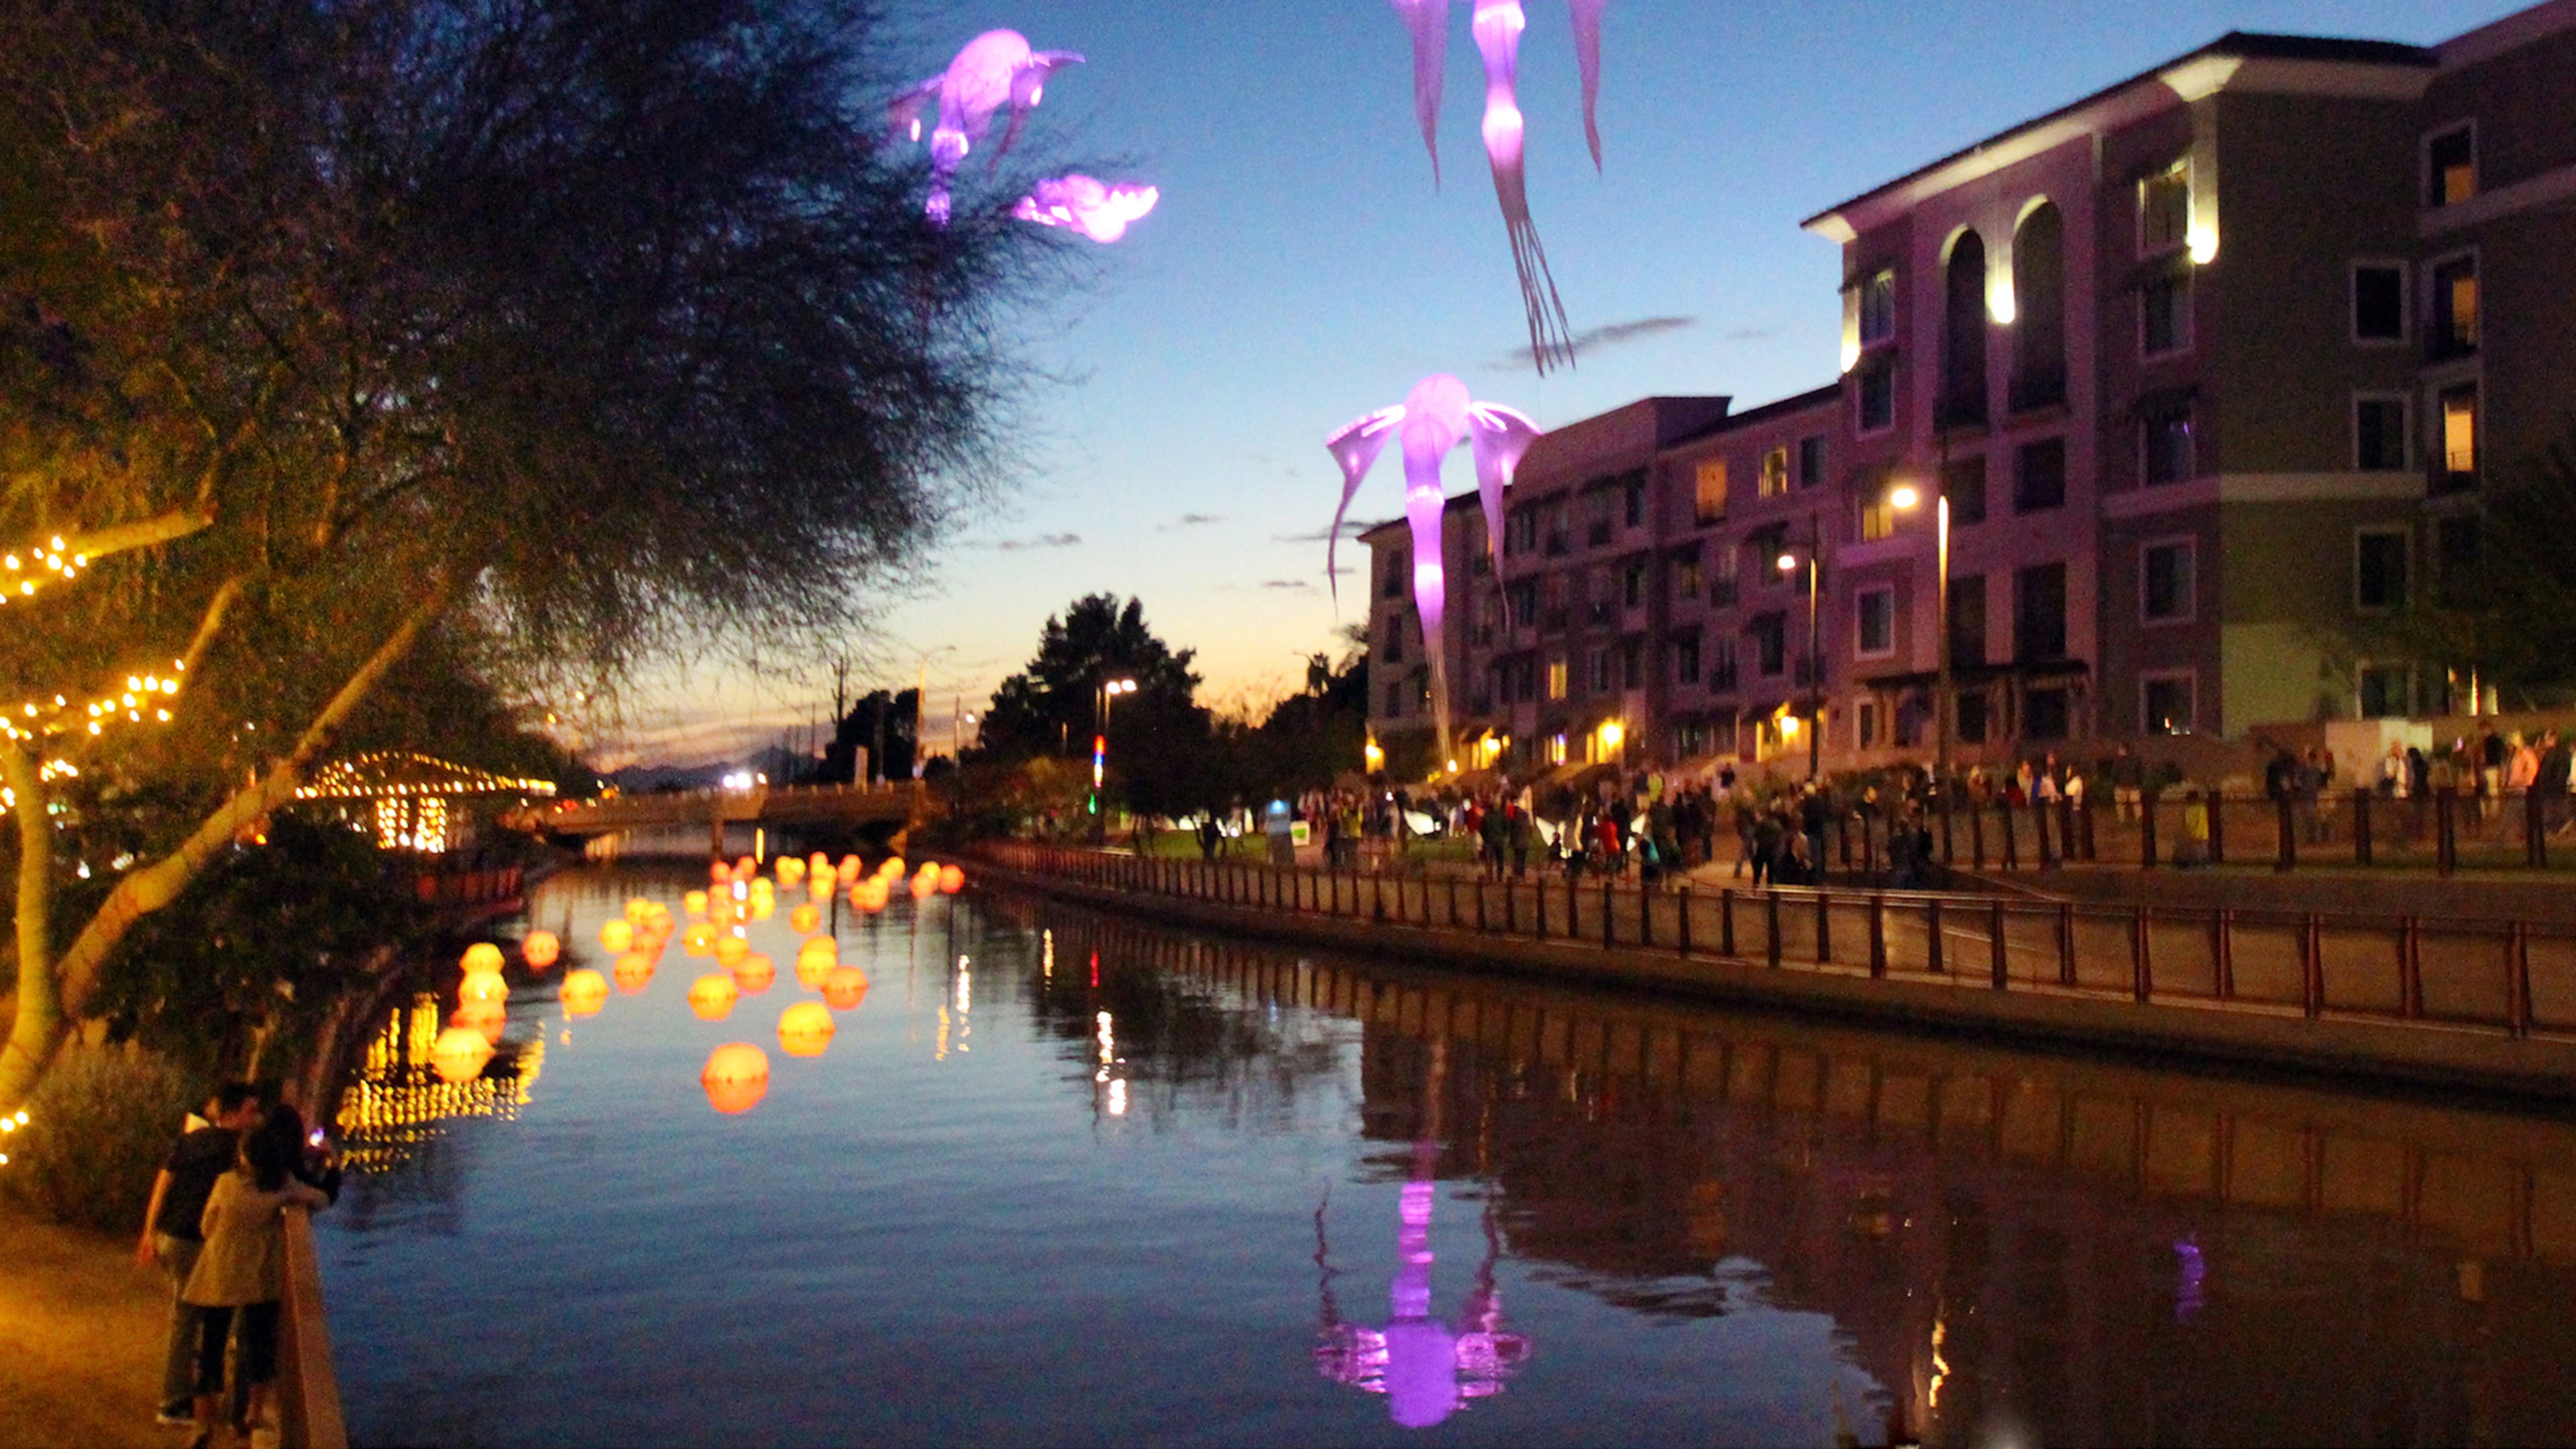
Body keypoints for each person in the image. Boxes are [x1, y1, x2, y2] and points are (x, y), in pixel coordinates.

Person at [182, 1127, 329, 1449]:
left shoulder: (226, 1184)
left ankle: (203, 1424)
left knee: (210, 1348)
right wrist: (289, 1196)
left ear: (246, 1155)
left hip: (218, 1275)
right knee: (260, 1346)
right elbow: (321, 1198)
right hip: (260, 1278)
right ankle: (252, 1414)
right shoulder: (282, 1187)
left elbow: (207, 1225)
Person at [138, 1081, 262, 1428]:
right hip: (194, 1241)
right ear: (233, 1113)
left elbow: (164, 1183)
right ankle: (174, 1401)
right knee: (188, 1317)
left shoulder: (191, 1140)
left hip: (169, 1236)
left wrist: (149, 1232)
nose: (256, 1118)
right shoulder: (237, 1151)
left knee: (187, 1312)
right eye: (251, 1111)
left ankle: (189, 1387)